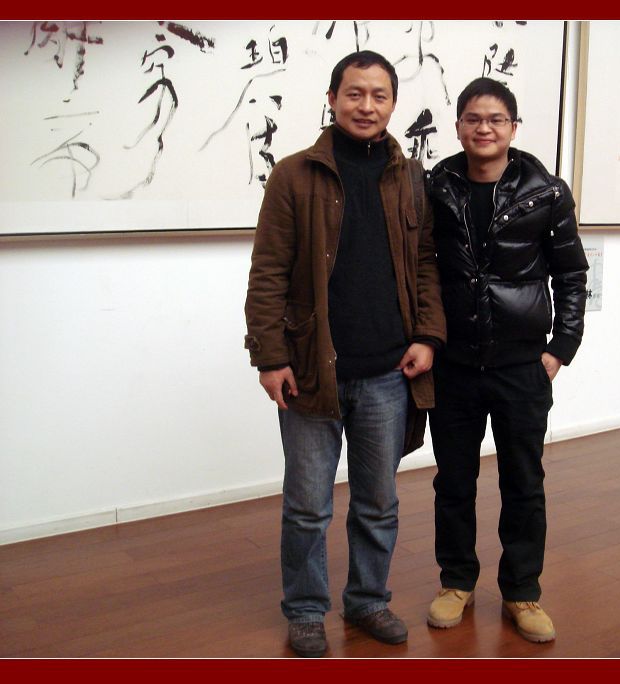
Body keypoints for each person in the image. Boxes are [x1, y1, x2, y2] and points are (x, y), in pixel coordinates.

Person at [244, 50, 446, 658]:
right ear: (332, 99)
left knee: (378, 502)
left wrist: (427, 336)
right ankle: (307, 610)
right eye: (354, 93)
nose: (366, 105)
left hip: (388, 371)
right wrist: (270, 358)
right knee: (308, 506)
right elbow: (268, 272)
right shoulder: (294, 175)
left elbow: (425, 263)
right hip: (312, 371)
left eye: (379, 95)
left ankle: (367, 600)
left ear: (392, 103)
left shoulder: (410, 178)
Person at [425, 77, 588, 643]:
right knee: (454, 480)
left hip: (522, 365)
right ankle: (456, 582)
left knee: (523, 480)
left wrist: (561, 347)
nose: (484, 128)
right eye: (473, 118)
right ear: (458, 127)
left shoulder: (547, 192)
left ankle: (522, 590)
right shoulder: (436, 187)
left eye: (496, 119)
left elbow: (571, 274)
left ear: (513, 127)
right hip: (454, 363)